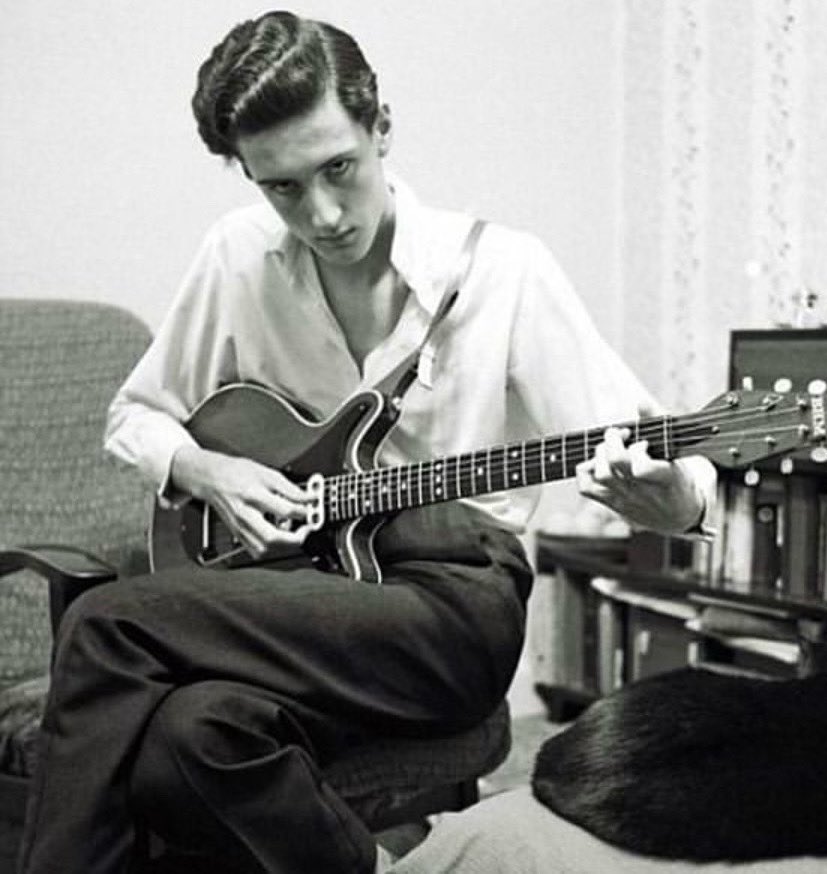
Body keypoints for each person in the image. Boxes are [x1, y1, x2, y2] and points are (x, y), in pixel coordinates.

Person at [17, 10, 715, 874]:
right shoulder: (237, 259)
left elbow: (654, 446)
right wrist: (207, 468)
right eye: (282, 188)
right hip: (306, 597)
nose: (321, 213)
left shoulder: (501, 271)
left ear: (381, 125)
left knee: (105, 622)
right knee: (190, 737)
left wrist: (672, 495)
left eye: (338, 169)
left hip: (451, 610)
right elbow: (136, 416)